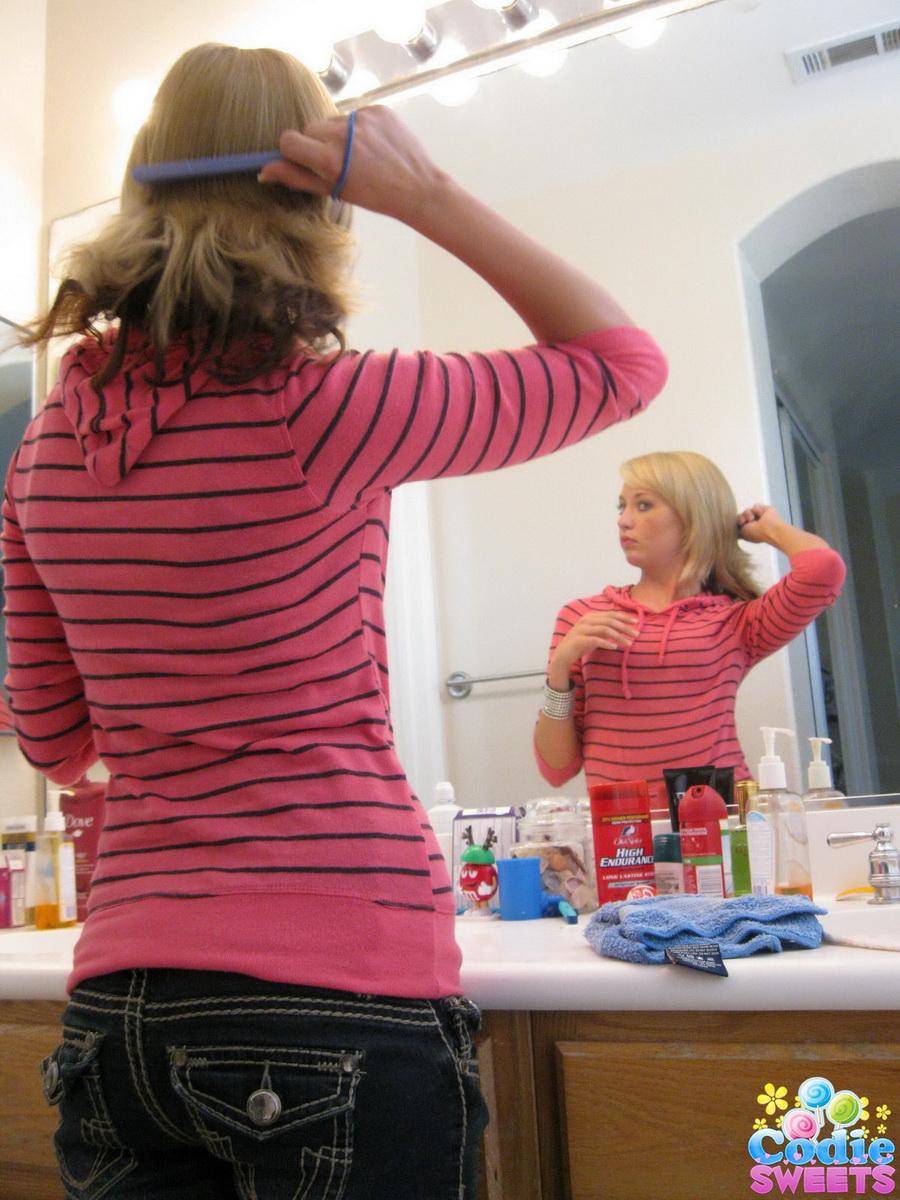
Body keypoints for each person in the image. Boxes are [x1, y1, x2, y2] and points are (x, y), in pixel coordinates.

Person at [3, 43, 668, 1200]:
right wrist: (426, 194)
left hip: (119, 1018)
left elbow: (49, 729)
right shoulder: (330, 407)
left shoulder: (52, 440)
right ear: (319, 197)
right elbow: (622, 364)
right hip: (338, 993)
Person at [534, 450, 845, 790]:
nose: (623, 520)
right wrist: (560, 668)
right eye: (621, 506)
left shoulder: (737, 622)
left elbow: (823, 569)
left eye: (643, 505)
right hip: (623, 832)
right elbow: (557, 770)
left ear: (693, 516)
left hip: (724, 826)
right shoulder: (582, 618)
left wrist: (771, 530)